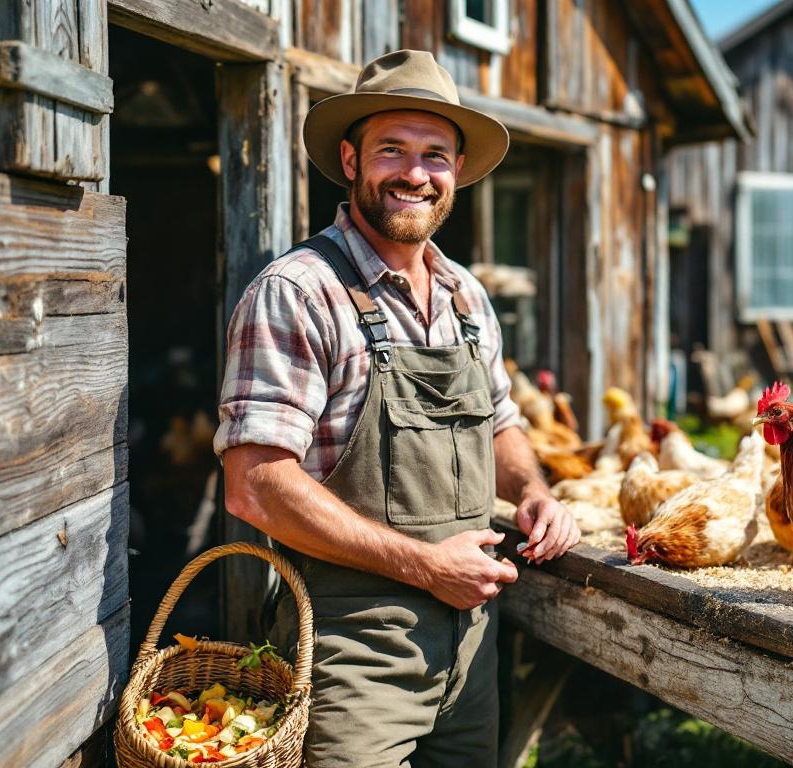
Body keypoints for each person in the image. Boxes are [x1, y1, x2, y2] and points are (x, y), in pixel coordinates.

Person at [214, 49, 580, 767]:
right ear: (351, 160)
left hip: (472, 643)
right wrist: (423, 566)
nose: (415, 173)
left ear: (457, 171)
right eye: (393, 150)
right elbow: (254, 484)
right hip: (352, 650)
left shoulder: (467, 298)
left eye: (435, 155)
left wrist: (535, 493)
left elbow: (501, 422)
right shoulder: (297, 292)